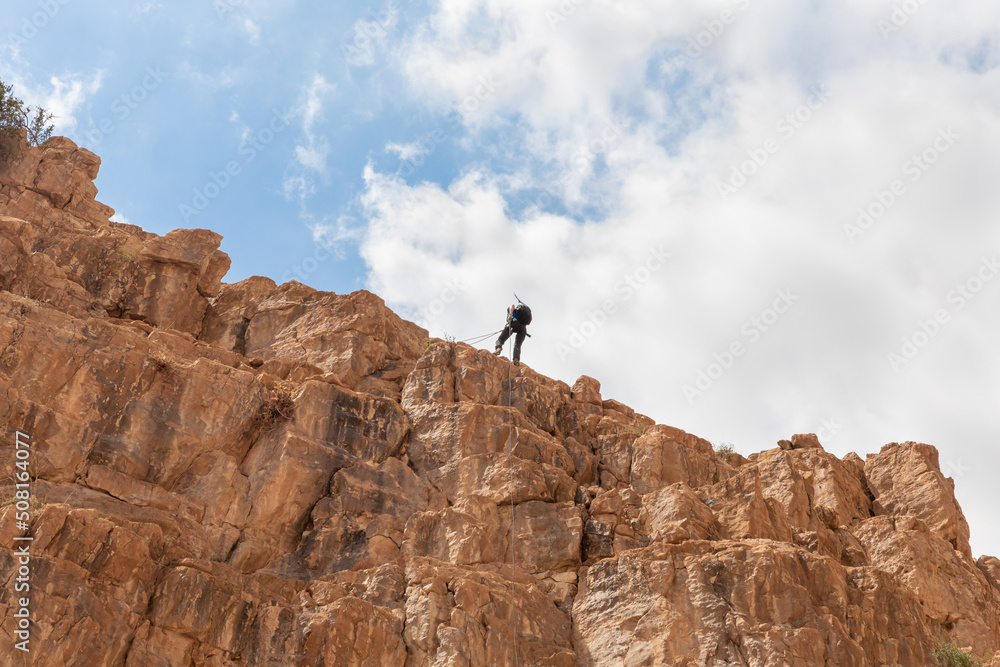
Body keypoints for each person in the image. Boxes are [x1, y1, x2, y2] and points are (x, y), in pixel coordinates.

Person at [494, 300, 532, 365]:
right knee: (517, 345)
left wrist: (510, 313)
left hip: (513, 324)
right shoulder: (522, 313)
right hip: (523, 328)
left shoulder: (511, 309)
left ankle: (498, 348)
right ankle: (516, 359)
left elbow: (509, 315)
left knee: (501, 339)